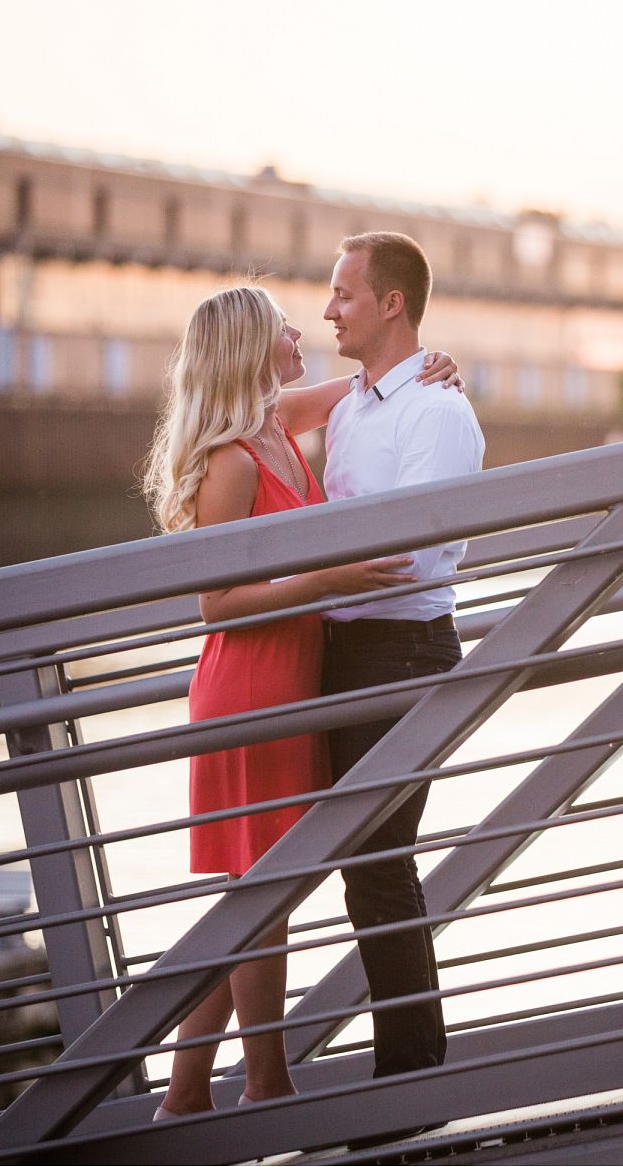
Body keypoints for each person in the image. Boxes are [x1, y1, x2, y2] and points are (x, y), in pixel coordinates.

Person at [139, 284, 462, 1118]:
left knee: (260, 888)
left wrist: (432, 365)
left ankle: (184, 1092)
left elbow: (373, 382)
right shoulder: (234, 460)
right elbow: (216, 604)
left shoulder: (277, 426)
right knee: (265, 889)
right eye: (284, 325)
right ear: (253, 346)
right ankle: (264, 1082)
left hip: (293, 680)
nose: (301, 329)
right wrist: (327, 581)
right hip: (250, 687)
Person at [318, 231, 484, 1092]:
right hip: (341, 650)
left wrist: (307, 572)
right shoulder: (351, 406)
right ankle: (401, 1072)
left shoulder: (437, 409)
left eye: (344, 293)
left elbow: (416, 557)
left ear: (391, 304)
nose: (327, 309)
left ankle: (411, 1080)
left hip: (403, 650)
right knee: (358, 860)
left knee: (380, 858)